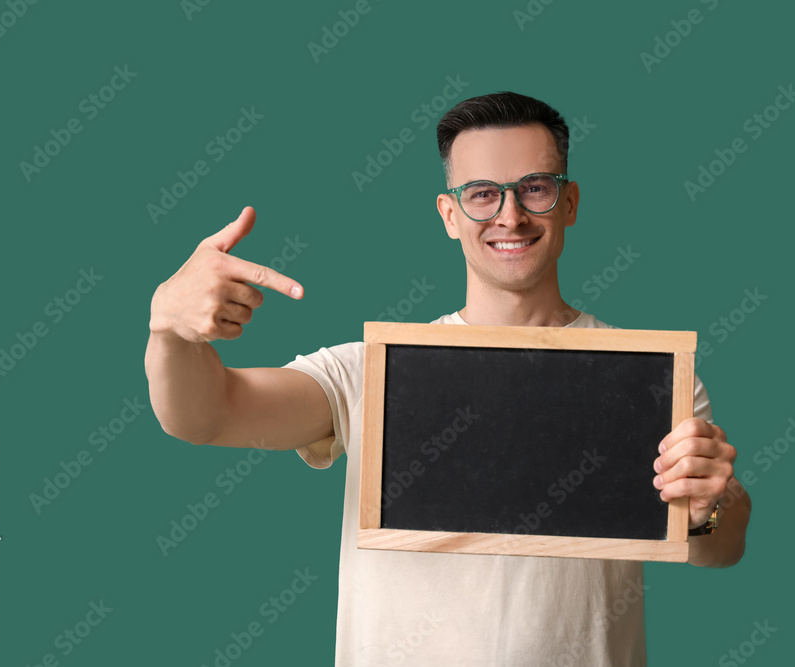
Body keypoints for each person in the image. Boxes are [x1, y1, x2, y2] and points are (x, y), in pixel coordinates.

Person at [145, 91, 751, 666]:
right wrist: (169, 330)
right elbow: (208, 413)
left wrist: (708, 508)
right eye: (483, 194)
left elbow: (720, 546)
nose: (510, 216)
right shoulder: (370, 372)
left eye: (534, 188)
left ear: (568, 203)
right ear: (449, 214)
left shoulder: (650, 377)